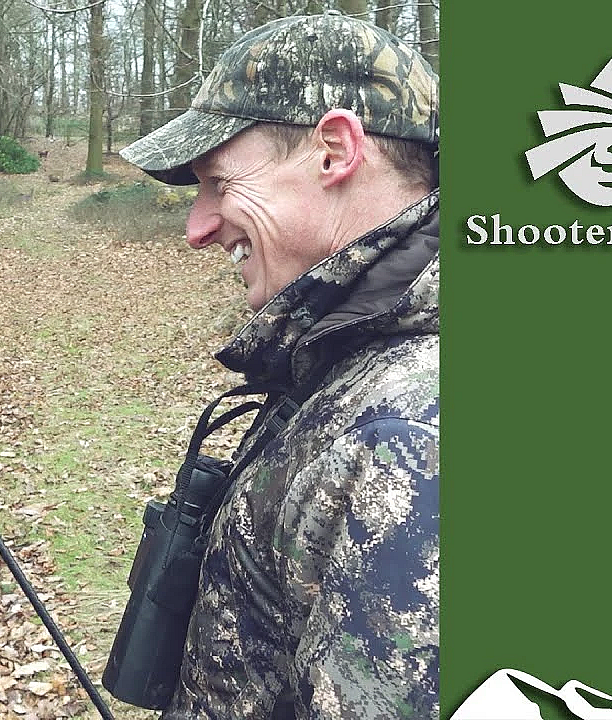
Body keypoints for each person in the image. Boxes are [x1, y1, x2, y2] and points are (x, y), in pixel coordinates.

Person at [119, 12, 439, 719]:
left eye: (218, 182)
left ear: (334, 151)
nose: (197, 227)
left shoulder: (409, 434)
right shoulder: (345, 350)